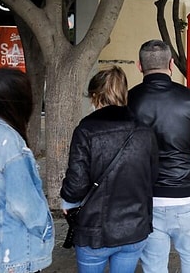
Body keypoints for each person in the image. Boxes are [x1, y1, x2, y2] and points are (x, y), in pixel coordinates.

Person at [128, 40, 190, 273]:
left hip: (147, 195)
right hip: (186, 192)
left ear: (139, 66)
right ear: (171, 64)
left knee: (153, 262)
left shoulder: (128, 100)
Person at [60, 66, 159, 273]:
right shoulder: (144, 130)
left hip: (94, 230)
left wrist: (68, 202)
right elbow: (152, 177)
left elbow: (76, 183)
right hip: (134, 227)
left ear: (96, 96)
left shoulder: (86, 129)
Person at [0, 69, 54, 273]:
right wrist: (46, 230)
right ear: (18, 102)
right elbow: (24, 205)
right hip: (12, 255)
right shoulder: (9, 143)